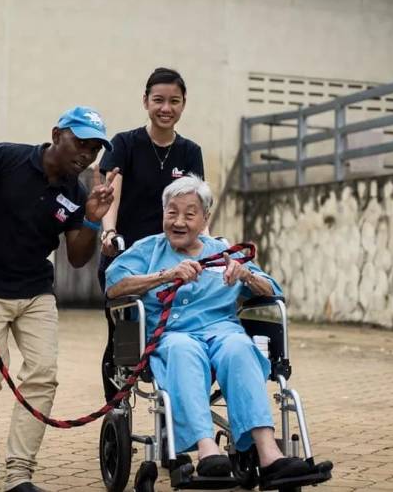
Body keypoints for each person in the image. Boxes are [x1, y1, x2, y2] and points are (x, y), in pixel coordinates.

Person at [104, 174, 312, 485]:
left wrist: (245, 276)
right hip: (172, 336)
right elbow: (114, 285)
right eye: (172, 212)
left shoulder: (224, 252)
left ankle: (270, 455)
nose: (179, 221)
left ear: (205, 218)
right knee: (184, 351)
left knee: (240, 349)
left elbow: (273, 290)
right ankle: (207, 449)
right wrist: (165, 275)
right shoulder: (148, 250)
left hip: (223, 332)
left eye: (189, 214)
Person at [0, 106, 119, 492]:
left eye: (94, 148)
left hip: (35, 295)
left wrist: (94, 219)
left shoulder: (76, 193)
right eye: (80, 142)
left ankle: (19, 473)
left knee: (43, 376)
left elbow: (78, 258)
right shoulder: (6, 157)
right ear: (56, 134)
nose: (86, 154)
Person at [97, 67, 204, 401]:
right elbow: (110, 193)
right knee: (125, 335)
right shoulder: (124, 144)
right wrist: (110, 232)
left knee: (178, 328)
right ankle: (116, 405)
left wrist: (208, 247)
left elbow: (197, 206)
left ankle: (176, 399)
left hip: (173, 255)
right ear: (145, 101)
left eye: (174, 101)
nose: (166, 108)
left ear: (184, 104)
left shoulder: (190, 152)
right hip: (130, 257)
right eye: (158, 100)